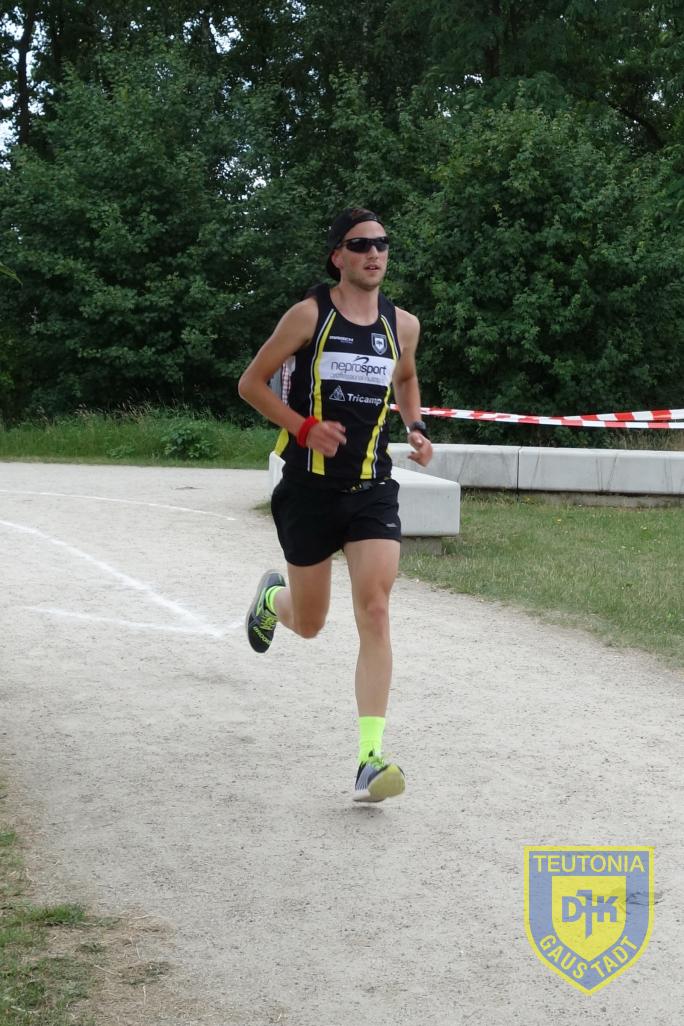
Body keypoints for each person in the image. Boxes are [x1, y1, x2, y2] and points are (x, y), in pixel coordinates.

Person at [238, 207, 432, 802]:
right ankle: (272, 600)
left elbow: (405, 379)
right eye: (361, 244)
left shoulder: (402, 325)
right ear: (337, 256)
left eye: (382, 244)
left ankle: (370, 759)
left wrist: (416, 426)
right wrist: (303, 428)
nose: (374, 253)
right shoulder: (309, 315)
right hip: (308, 489)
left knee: (375, 608)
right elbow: (251, 384)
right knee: (311, 623)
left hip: (371, 488)